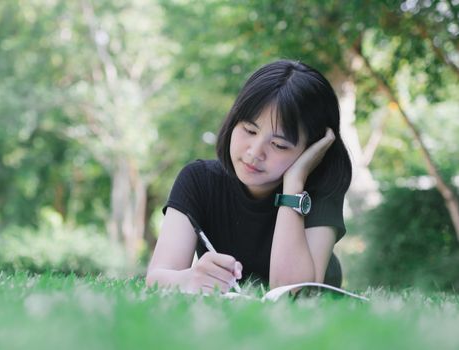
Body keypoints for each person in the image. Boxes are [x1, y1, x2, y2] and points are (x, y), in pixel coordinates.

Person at [146, 59, 352, 294]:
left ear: (311, 151)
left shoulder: (322, 188)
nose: (254, 153)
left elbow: (295, 292)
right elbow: (157, 277)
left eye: (279, 145)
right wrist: (190, 279)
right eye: (250, 130)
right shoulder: (198, 180)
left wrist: (294, 185)